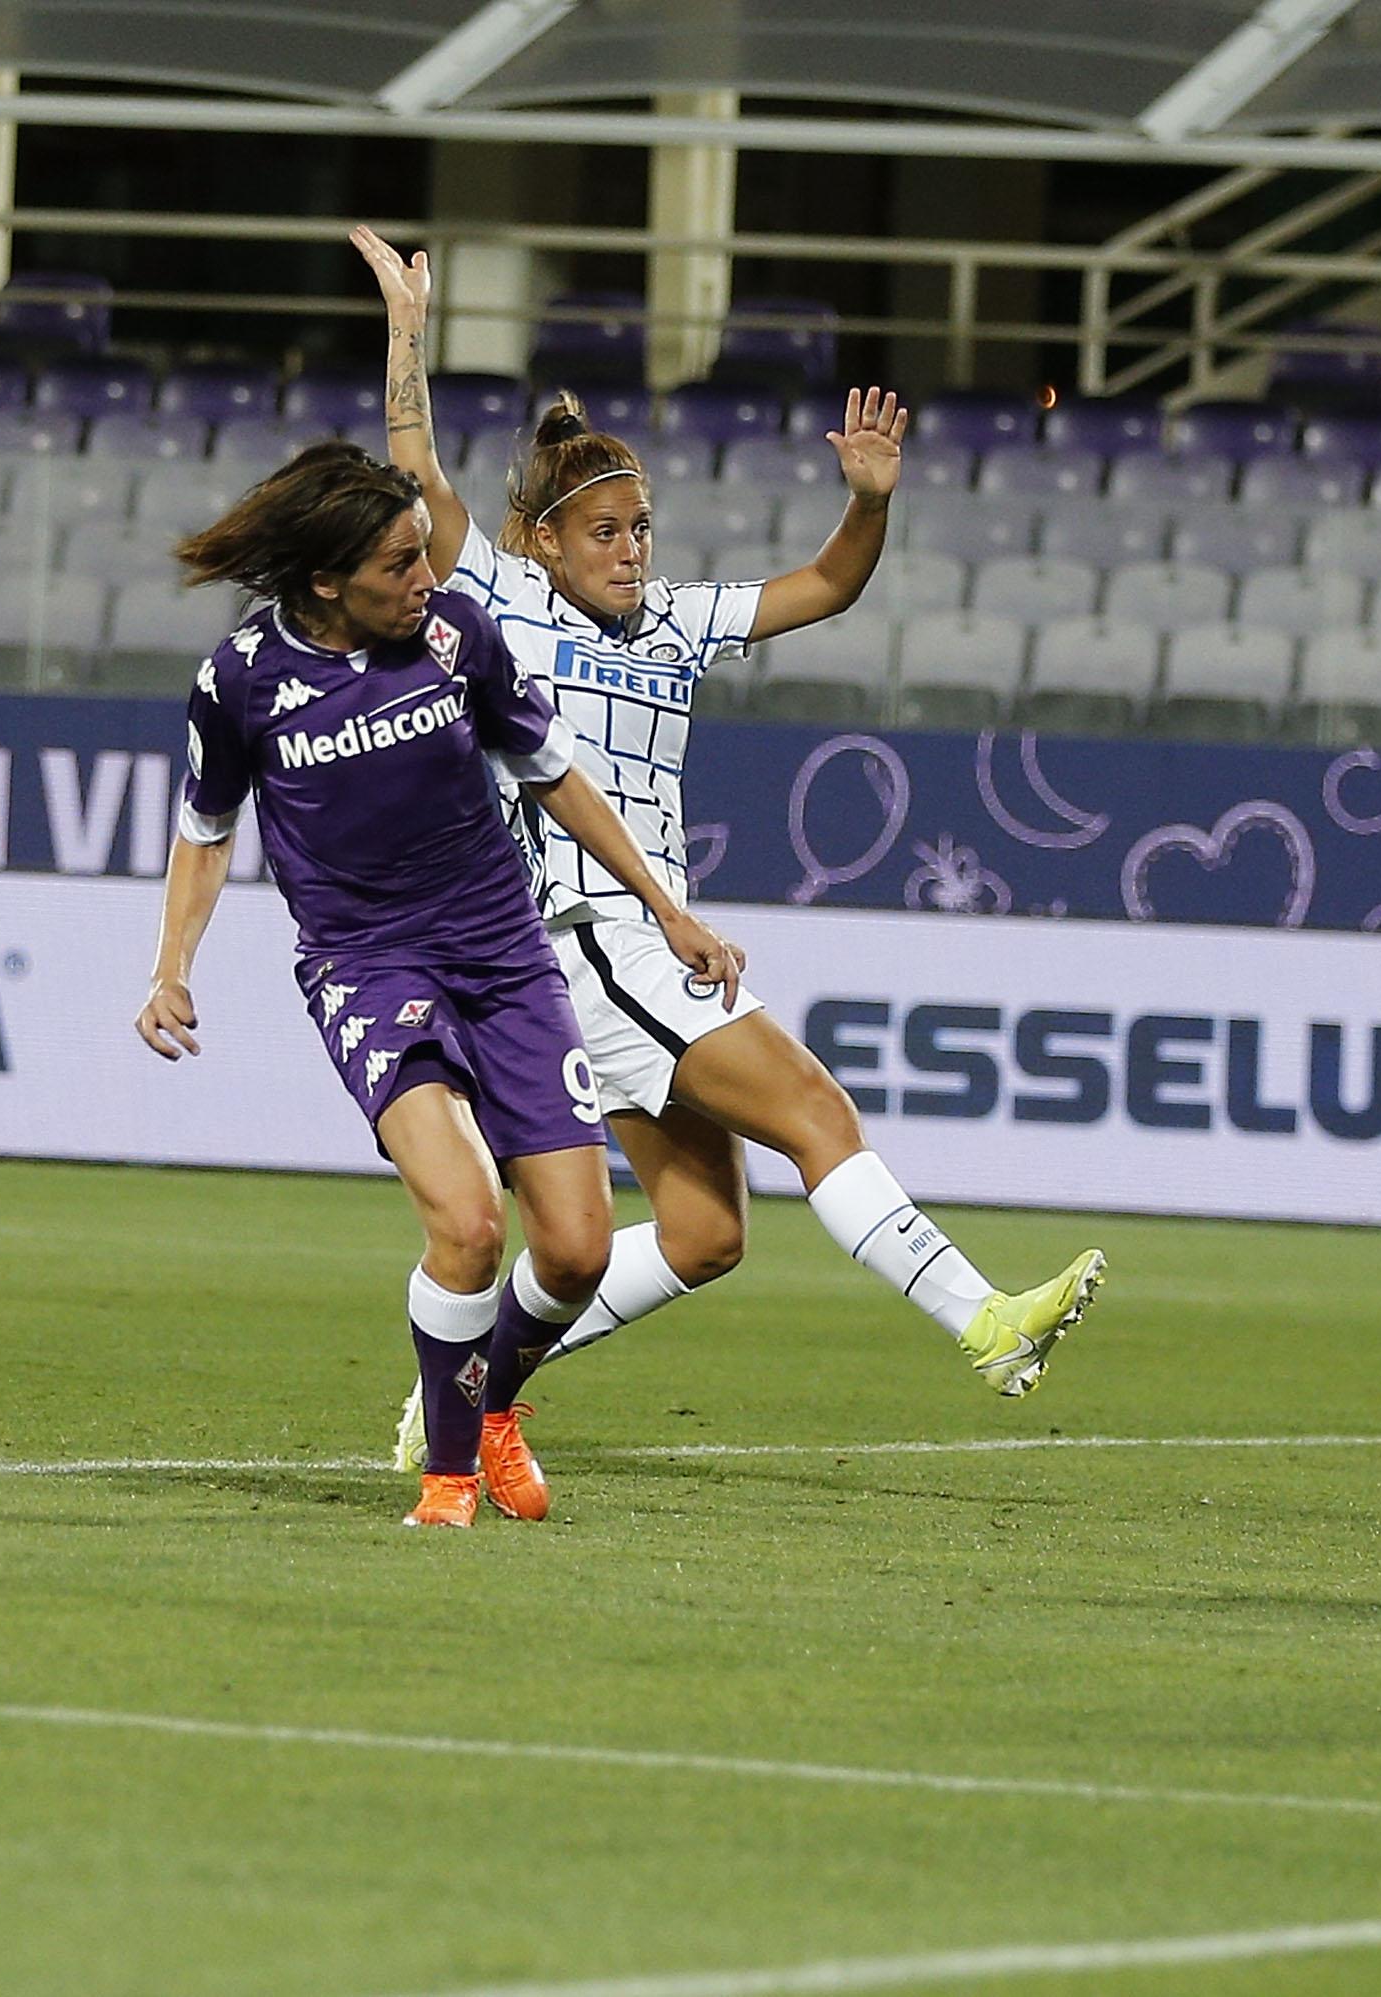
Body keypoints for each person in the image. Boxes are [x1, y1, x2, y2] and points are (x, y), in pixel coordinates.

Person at [351, 228, 1102, 1473]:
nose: (634, 547)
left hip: (643, 932)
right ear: (544, 541)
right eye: (607, 531)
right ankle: (983, 1319)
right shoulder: (494, 593)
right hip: (582, 937)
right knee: (817, 1109)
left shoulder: (676, 624)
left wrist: (868, 501)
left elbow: (823, 587)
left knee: (703, 1233)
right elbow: (413, 466)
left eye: (643, 525)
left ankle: (464, 1387)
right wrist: (408, 332)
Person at [137, 442, 743, 1529]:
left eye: (426, 555)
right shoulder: (240, 681)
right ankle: (447, 1481)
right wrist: (171, 967)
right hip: (367, 965)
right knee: (468, 1222)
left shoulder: (461, 636)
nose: (428, 579)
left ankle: (489, 1403)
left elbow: (556, 772)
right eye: (400, 565)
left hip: (505, 954)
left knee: (577, 1248)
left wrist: (665, 907)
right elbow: (204, 826)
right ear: (328, 581)